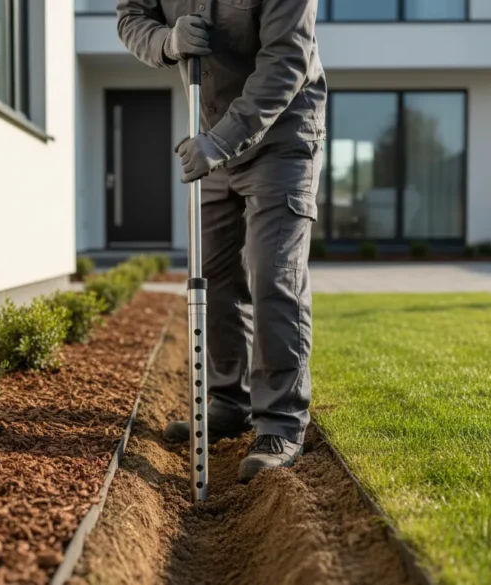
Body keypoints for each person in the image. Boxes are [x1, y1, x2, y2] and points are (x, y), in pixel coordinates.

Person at [116, 0, 327, 483]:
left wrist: (221, 142)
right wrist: (166, 42)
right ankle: (228, 402)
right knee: (214, 274)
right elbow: (131, 16)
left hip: (283, 133)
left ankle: (280, 422)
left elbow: (287, 60)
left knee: (274, 271)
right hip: (208, 129)